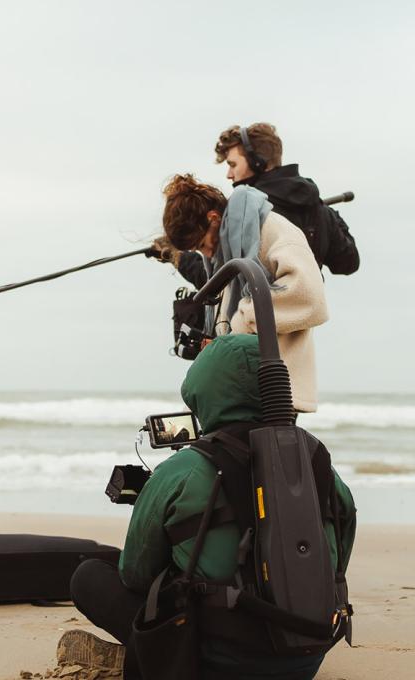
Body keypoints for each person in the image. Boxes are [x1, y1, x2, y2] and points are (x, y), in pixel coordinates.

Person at [62, 334, 332, 679]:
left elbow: (135, 574)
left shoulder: (184, 469)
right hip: (305, 659)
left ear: (205, 395)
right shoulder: (322, 467)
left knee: (88, 576)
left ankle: (152, 659)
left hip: (214, 661)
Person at [154, 174, 329, 413]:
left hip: (273, 388)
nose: (204, 253)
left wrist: (242, 322)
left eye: (201, 244)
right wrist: (218, 343)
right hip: (241, 388)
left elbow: (309, 296)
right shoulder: (230, 248)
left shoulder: (271, 228)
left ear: (213, 218)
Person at [217, 122, 359, 275]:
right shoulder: (320, 211)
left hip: (258, 299)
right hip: (308, 299)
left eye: (233, 164)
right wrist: (331, 216)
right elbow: (348, 263)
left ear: (257, 162)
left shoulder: (245, 211)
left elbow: (219, 279)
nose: (229, 174)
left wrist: (187, 259)